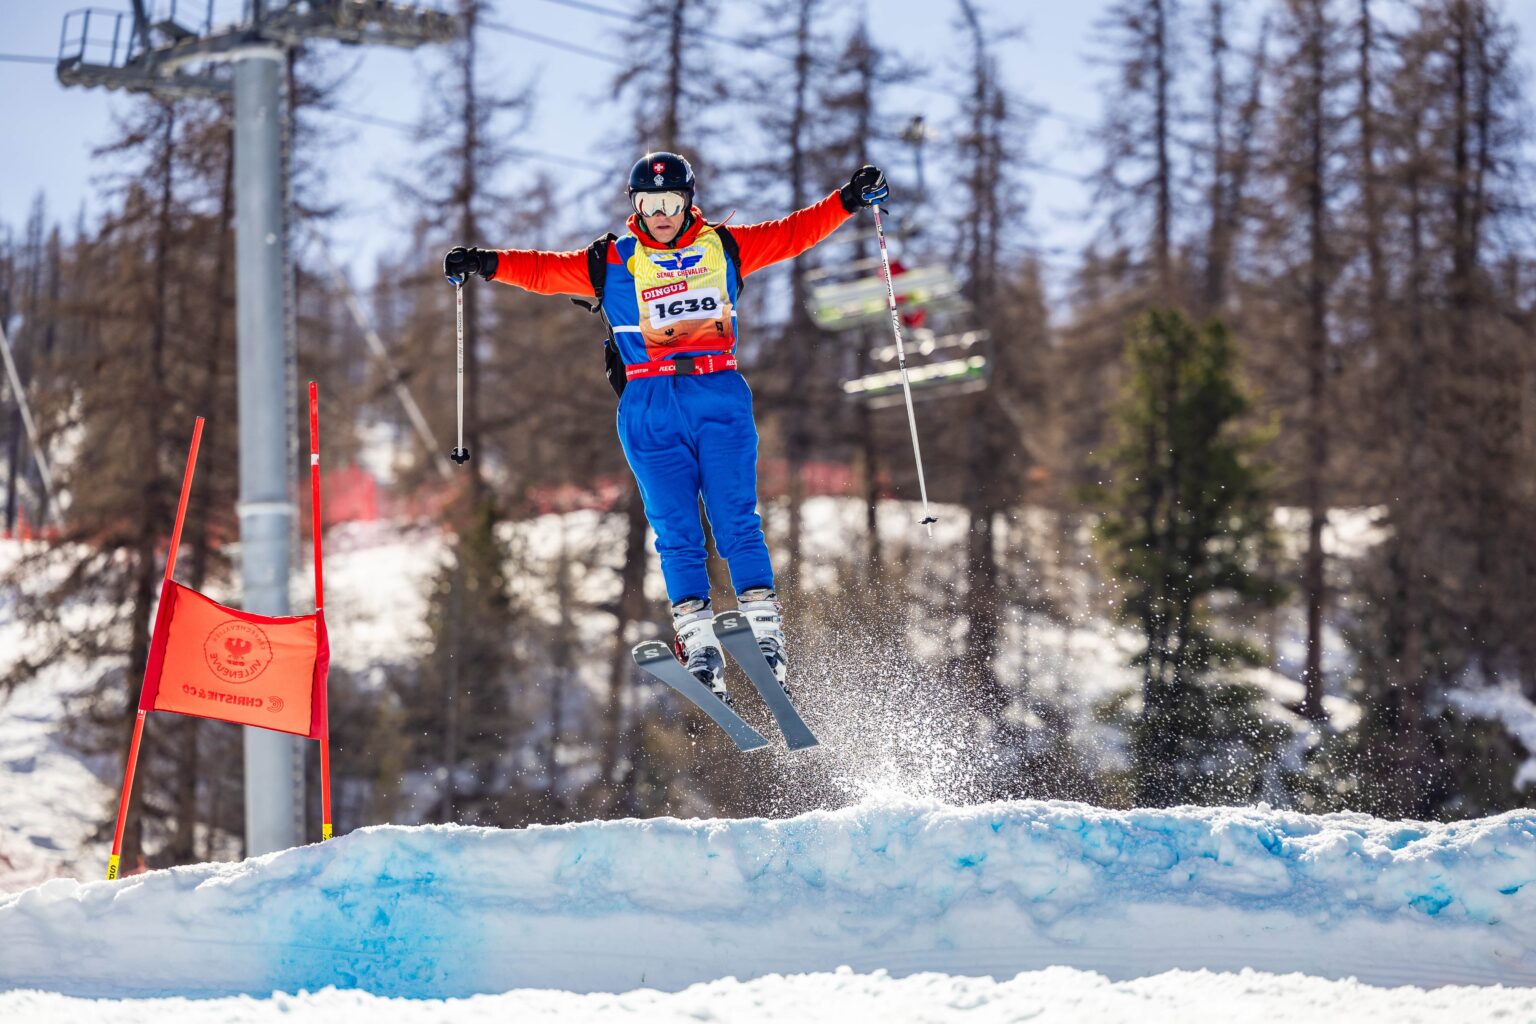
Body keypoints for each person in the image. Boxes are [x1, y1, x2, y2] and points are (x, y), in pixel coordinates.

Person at [444, 152, 889, 703]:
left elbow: (793, 233)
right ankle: (697, 640)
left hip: (717, 392)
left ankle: (765, 633)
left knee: (735, 518)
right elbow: (541, 269)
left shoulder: (723, 246)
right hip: (648, 401)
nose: (660, 214)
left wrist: (847, 199)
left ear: (688, 201)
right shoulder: (611, 260)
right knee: (675, 528)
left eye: (670, 202)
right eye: (649, 203)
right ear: (636, 206)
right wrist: (485, 262)